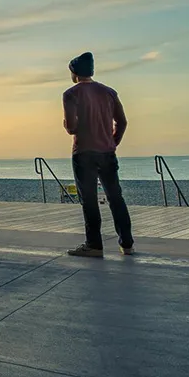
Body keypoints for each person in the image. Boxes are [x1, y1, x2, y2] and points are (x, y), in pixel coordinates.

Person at [62, 52, 134, 257]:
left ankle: (94, 245)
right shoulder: (109, 92)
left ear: (74, 72)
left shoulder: (70, 94)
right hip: (107, 152)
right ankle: (126, 243)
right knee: (115, 197)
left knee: (89, 200)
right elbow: (122, 122)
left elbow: (72, 128)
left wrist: (66, 125)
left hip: (84, 152)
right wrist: (112, 142)